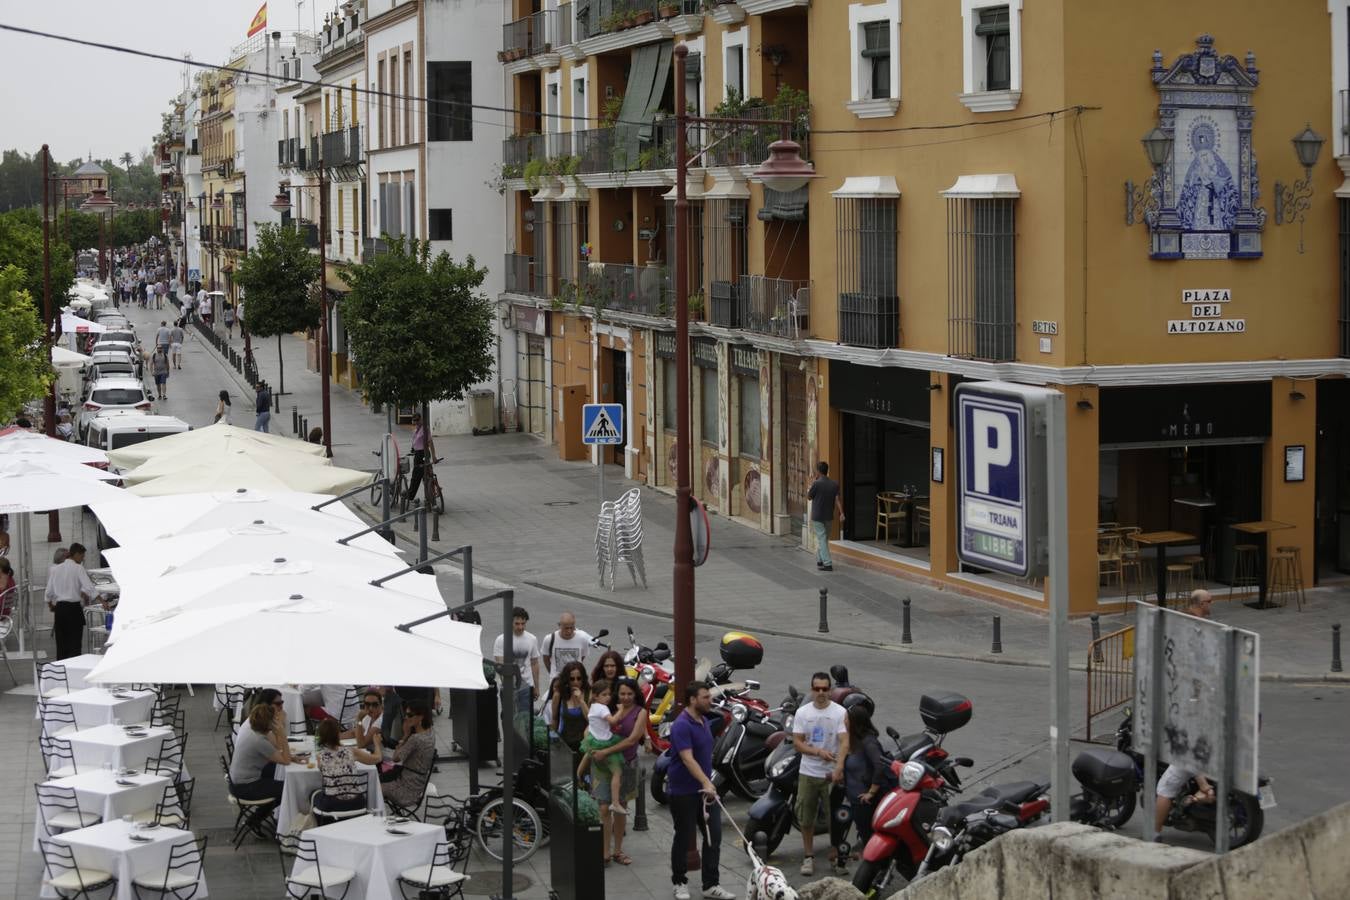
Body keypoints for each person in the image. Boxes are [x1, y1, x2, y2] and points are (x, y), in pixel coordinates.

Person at [1154, 590, 1217, 835]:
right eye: (1210, 601)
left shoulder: (1188, 626)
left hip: (1192, 705)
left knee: (1165, 787)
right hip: (1196, 702)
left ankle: (1154, 835)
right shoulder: (1195, 627)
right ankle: (1200, 791)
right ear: (1200, 604)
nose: (1212, 604)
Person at [668, 682, 733, 900]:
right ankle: (679, 882)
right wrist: (706, 781)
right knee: (684, 836)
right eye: (705, 697)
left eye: (709, 696)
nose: (710, 700)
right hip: (683, 791)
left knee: (713, 836)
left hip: (706, 791)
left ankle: (711, 884)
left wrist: (708, 783)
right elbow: (687, 759)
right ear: (693, 700)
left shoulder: (703, 721)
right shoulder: (682, 725)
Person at [793, 670, 849, 876]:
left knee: (836, 818)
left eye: (825, 689)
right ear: (812, 690)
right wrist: (817, 751)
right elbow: (797, 742)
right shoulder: (803, 713)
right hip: (808, 772)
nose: (821, 692)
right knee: (806, 818)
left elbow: (845, 742)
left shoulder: (840, 713)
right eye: (817, 689)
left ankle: (836, 857)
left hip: (831, 775)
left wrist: (840, 766)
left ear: (830, 690)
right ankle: (808, 857)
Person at [592, 676, 647, 868]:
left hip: (627, 763)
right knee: (604, 807)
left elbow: (632, 740)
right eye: (622, 693)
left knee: (621, 807)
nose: (625, 697)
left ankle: (617, 850)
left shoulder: (641, 712)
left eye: (629, 694)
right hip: (604, 764)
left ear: (635, 694)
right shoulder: (609, 707)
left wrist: (605, 751)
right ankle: (604, 851)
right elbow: (593, 725)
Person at [577, 679, 625, 845]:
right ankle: (615, 802)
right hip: (605, 743)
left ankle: (578, 774)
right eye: (604, 695)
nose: (608, 697)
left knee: (588, 755)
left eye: (609, 694)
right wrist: (622, 710)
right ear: (596, 696)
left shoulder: (593, 708)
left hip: (593, 740)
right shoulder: (603, 708)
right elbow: (612, 721)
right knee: (616, 772)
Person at [44, 543, 104, 660]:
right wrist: (102, 601)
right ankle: (74, 667)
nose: (82, 559)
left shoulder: (56, 569)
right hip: (73, 609)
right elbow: (89, 587)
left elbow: (49, 591)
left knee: (61, 643)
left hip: (60, 609)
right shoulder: (78, 568)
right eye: (82, 556)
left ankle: (62, 669)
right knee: (75, 643)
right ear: (76, 554)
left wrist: (50, 604)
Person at [314, 717, 381, 817]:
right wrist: (377, 744)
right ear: (338, 734)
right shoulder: (351, 751)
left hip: (332, 804)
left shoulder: (320, 756)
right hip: (356, 802)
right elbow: (377, 758)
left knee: (313, 794)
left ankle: (320, 826)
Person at [228, 703, 292, 807]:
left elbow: (277, 751)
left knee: (275, 769)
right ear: (269, 722)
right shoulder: (259, 740)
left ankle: (260, 819)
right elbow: (286, 761)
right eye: (274, 719)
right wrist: (281, 733)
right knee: (288, 788)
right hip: (244, 787)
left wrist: (292, 757)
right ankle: (255, 820)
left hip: (236, 782)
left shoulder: (253, 731)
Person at [843, 704, 887, 851]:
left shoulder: (869, 742)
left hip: (866, 803)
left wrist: (871, 792)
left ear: (855, 722)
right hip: (856, 802)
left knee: (871, 839)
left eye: (847, 719)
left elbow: (879, 766)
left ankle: (880, 869)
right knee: (866, 837)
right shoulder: (855, 741)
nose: (845, 721)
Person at [382, 701, 436, 811]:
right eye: (406, 714)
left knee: (374, 787)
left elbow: (395, 758)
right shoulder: (430, 733)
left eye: (410, 715)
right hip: (417, 784)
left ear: (421, 717)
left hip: (406, 789)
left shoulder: (415, 739)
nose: (406, 718)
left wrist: (405, 735)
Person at [493, 606, 541, 717]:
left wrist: (536, 687)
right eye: (517, 623)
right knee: (509, 719)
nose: (520, 627)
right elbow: (501, 666)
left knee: (525, 720)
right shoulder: (501, 640)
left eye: (523, 624)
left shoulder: (532, 639)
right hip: (509, 687)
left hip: (526, 686)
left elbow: (534, 663)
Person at [808, 461, 844, 572]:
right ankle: (820, 559)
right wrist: (842, 513)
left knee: (822, 539)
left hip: (817, 516)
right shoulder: (834, 484)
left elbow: (809, 497)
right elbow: (837, 500)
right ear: (827, 471)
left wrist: (814, 481)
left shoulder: (816, 484)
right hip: (829, 516)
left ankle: (827, 563)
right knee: (823, 538)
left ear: (818, 471)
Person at [542, 611, 594, 685]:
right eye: (566, 628)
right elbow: (546, 659)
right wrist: (553, 673)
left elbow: (582, 657)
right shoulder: (549, 639)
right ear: (559, 625)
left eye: (572, 628)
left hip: (575, 682)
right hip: (557, 683)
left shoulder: (582, 639)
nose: (569, 631)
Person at [549, 661, 590, 751]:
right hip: (564, 744)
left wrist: (581, 701)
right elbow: (555, 719)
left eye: (579, 678)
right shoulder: (559, 695)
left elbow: (591, 719)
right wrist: (552, 739)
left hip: (584, 745)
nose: (576, 682)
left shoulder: (589, 694)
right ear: (567, 679)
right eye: (572, 679)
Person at [404, 413, 435, 505]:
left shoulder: (425, 429)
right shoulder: (416, 430)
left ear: (421, 419)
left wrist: (434, 456)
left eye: (418, 420)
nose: (416, 422)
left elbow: (430, 443)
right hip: (417, 454)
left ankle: (410, 495)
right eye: (414, 420)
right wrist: (413, 449)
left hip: (423, 454)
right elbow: (415, 442)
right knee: (420, 476)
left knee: (416, 476)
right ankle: (428, 496)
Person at [344, 689, 385, 753]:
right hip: (368, 753)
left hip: (380, 757)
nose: (371, 708)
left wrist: (359, 719)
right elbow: (354, 732)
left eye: (375, 704)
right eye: (367, 704)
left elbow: (361, 744)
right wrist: (334, 737)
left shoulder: (381, 720)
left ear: (381, 704)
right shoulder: (369, 716)